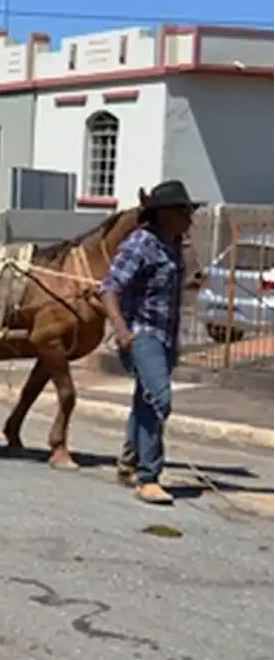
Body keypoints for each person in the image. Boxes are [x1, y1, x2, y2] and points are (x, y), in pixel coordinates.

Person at [99, 179, 200, 506]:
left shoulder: (174, 246)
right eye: (184, 211)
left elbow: (158, 289)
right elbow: (110, 287)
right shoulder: (140, 243)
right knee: (159, 398)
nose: (190, 218)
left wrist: (187, 283)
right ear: (164, 214)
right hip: (142, 334)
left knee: (145, 400)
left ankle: (129, 463)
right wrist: (120, 328)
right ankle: (149, 476)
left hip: (166, 336)